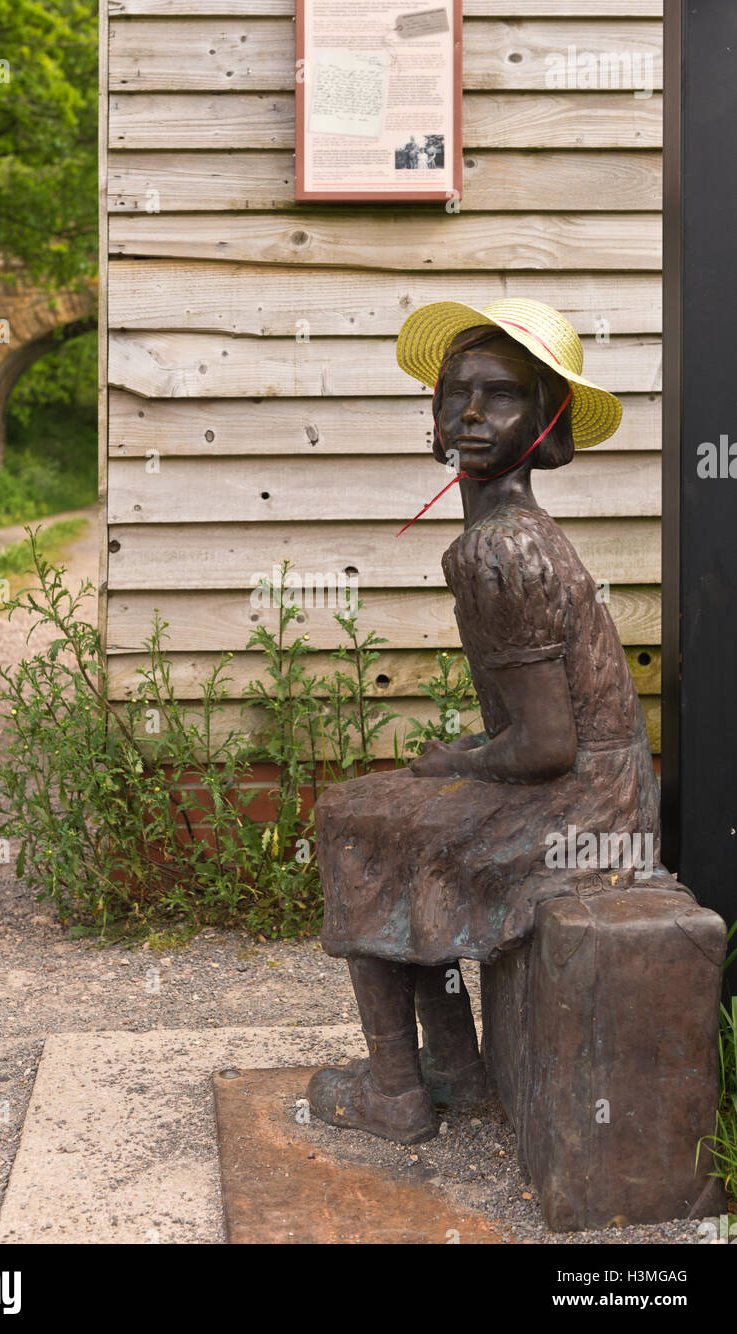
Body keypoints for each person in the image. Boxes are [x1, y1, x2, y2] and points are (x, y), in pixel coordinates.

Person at [306, 298, 661, 1144]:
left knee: (355, 822)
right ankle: (454, 1067)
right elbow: (533, 729)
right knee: (397, 814)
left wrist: (457, 768)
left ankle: (395, 1090)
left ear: (549, 426)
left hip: (588, 811)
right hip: (585, 786)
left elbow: (543, 746)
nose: (468, 412)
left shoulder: (500, 549)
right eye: (452, 393)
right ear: (429, 420)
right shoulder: (502, 536)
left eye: (500, 394)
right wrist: (462, 756)